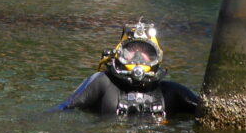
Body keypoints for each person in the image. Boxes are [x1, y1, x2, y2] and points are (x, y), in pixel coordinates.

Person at [58, 21, 200, 119]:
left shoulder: (171, 92)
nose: (138, 57)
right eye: (131, 50)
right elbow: (63, 109)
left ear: (157, 58)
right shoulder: (103, 83)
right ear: (119, 54)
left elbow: (209, 112)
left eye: (146, 52)